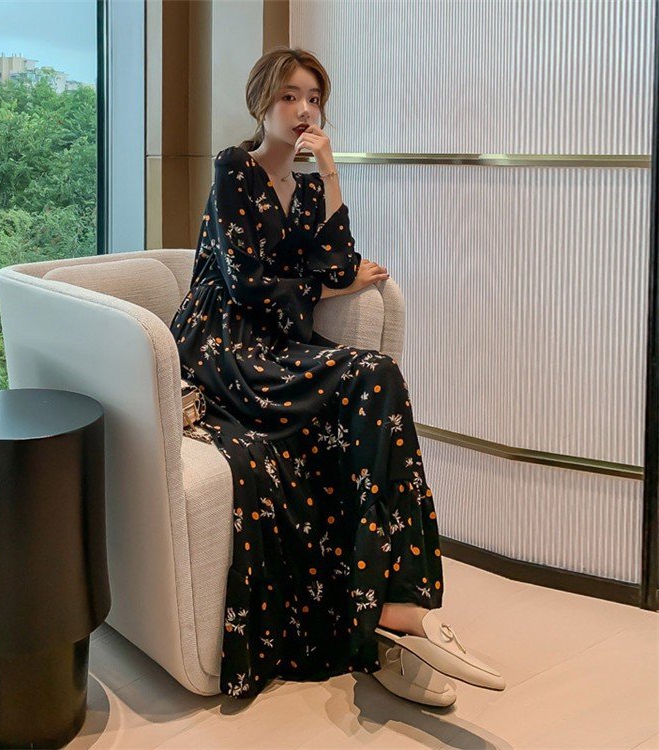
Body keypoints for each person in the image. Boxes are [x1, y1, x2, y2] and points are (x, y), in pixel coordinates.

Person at [169, 46, 504, 701]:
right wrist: (324, 288)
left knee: (378, 378)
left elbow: (340, 261)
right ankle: (396, 613)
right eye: (290, 95)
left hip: (276, 343)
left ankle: (395, 607)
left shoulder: (306, 185)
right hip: (221, 343)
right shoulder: (234, 167)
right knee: (370, 377)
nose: (304, 110)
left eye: (314, 98)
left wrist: (328, 169)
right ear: (261, 100)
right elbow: (247, 286)